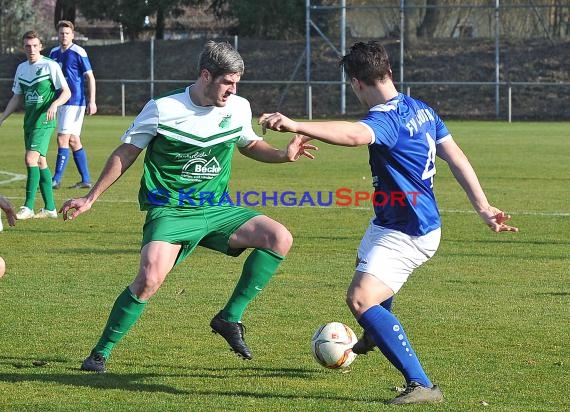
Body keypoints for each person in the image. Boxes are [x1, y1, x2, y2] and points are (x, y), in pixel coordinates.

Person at [259, 41, 518, 405]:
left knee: (361, 299)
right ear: (389, 73)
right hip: (391, 221)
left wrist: (295, 124)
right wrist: (483, 207)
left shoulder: (385, 119)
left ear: (356, 83)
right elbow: (456, 157)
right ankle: (373, 336)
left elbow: (354, 135)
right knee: (364, 268)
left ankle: (422, 384)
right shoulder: (421, 109)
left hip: (409, 231)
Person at [60, 41, 316, 373]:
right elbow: (126, 153)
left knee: (279, 237)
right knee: (149, 278)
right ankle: (99, 353)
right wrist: (90, 197)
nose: (232, 90)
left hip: (215, 208)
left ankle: (229, 318)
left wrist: (283, 154)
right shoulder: (163, 108)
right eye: (227, 82)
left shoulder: (238, 107)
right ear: (206, 75)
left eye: (237, 83)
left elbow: (250, 143)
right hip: (170, 209)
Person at [0, 31, 71, 220]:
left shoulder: (50, 65)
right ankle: (50, 208)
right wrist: (3, 117)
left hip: (45, 121)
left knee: (30, 159)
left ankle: (28, 206)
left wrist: (55, 104)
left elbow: (66, 92)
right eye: (27, 46)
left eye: (34, 45)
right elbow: (17, 96)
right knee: (40, 162)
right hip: (30, 122)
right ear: (23, 47)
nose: (31, 49)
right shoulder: (21, 68)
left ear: (41, 46)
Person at [49, 20, 97, 190]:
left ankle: (55, 180)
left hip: (74, 102)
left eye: (67, 33)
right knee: (73, 140)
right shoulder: (53, 53)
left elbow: (90, 77)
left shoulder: (78, 51)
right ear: (58, 34)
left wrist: (92, 101)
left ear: (73, 35)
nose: (64, 36)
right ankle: (85, 180)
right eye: (61, 33)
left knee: (62, 138)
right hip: (60, 101)